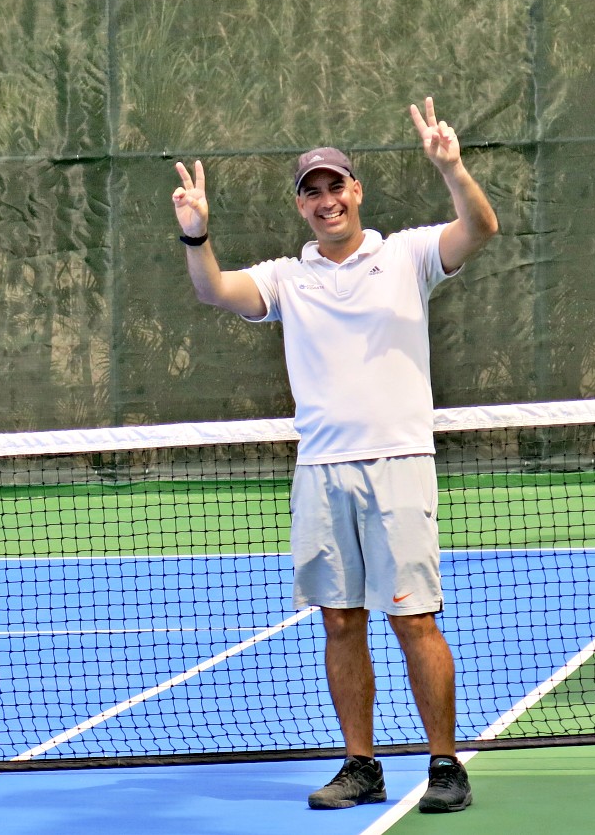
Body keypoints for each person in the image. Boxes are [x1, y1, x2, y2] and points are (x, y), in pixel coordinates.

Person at [171, 97, 498, 814]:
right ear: (302, 206)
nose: (326, 201)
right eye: (311, 192)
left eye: (335, 187)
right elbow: (215, 291)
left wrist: (453, 169)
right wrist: (197, 236)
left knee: (414, 619)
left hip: (398, 463)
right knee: (340, 620)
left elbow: (479, 228)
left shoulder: (409, 253)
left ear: (356, 192)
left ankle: (445, 764)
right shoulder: (288, 279)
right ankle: (361, 765)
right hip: (321, 471)